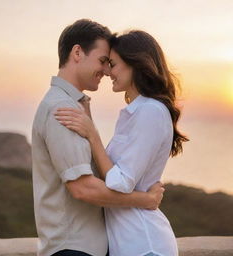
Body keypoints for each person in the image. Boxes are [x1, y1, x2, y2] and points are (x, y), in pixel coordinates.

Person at [32, 20, 165, 256]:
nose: (106, 71)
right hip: (73, 248)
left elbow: (101, 172)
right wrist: (145, 200)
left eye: (110, 64)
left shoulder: (76, 107)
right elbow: (83, 189)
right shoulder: (62, 108)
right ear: (77, 53)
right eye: (104, 61)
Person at [55, 30, 189, 256]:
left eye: (113, 64)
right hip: (126, 245)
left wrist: (93, 135)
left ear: (135, 64)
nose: (107, 72)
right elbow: (109, 173)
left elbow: (120, 182)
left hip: (145, 244)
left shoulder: (150, 111)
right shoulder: (136, 112)